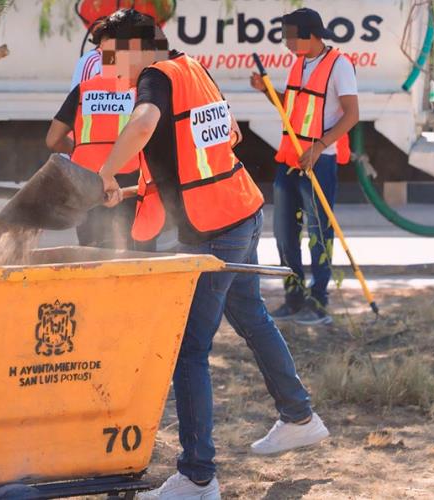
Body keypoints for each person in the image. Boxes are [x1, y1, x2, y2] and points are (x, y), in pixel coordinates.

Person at [96, 10, 329, 499]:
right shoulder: (192, 68)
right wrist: (136, 185)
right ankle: (299, 415)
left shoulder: (155, 79)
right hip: (241, 210)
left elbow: (144, 126)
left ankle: (198, 476)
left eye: (110, 56)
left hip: (213, 230)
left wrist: (106, 172)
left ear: (136, 47)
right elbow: (221, 139)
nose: (107, 68)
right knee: (251, 315)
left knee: (189, 350)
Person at [251, 8, 359, 326]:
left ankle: (319, 301)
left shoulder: (340, 66)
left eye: (290, 36)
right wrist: (266, 91)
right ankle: (293, 298)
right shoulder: (298, 63)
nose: (286, 43)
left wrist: (320, 146)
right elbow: (292, 106)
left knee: (318, 233)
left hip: (319, 161)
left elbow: (352, 115)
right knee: (285, 234)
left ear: (309, 36)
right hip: (289, 158)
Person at [48, 21, 155, 251]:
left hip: (87, 186)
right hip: (131, 186)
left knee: (93, 258)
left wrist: (82, 151)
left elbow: (52, 140)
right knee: (140, 262)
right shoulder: (142, 91)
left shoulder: (84, 89)